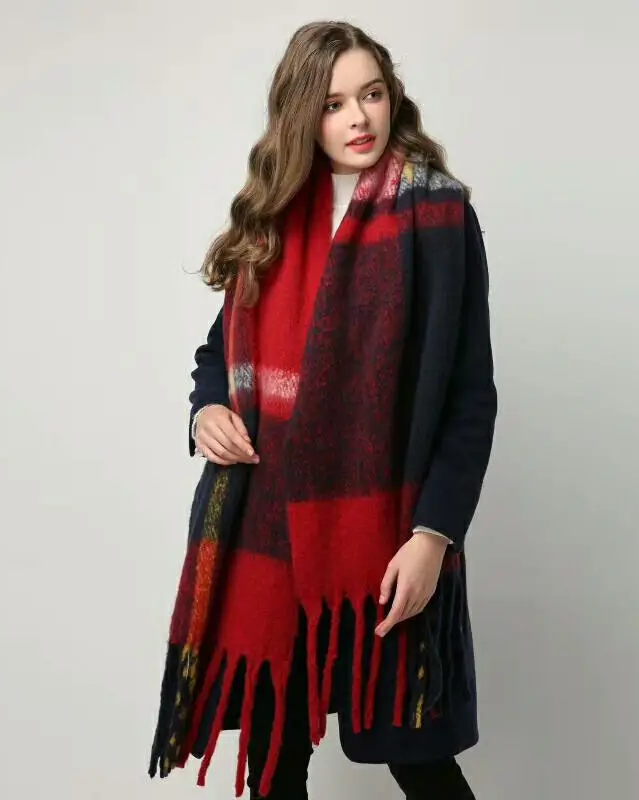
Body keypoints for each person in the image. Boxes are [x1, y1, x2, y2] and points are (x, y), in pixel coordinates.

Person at [148, 20, 497, 800]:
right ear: (303, 113)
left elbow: (469, 396)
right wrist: (206, 411)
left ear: (391, 96)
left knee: (421, 763)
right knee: (274, 767)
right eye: (334, 103)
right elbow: (217, 354)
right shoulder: (272, 217)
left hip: (383, 536)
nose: (359, 118)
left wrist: (433, 537)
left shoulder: (439, 219)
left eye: (371, 94)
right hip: (267, 536)